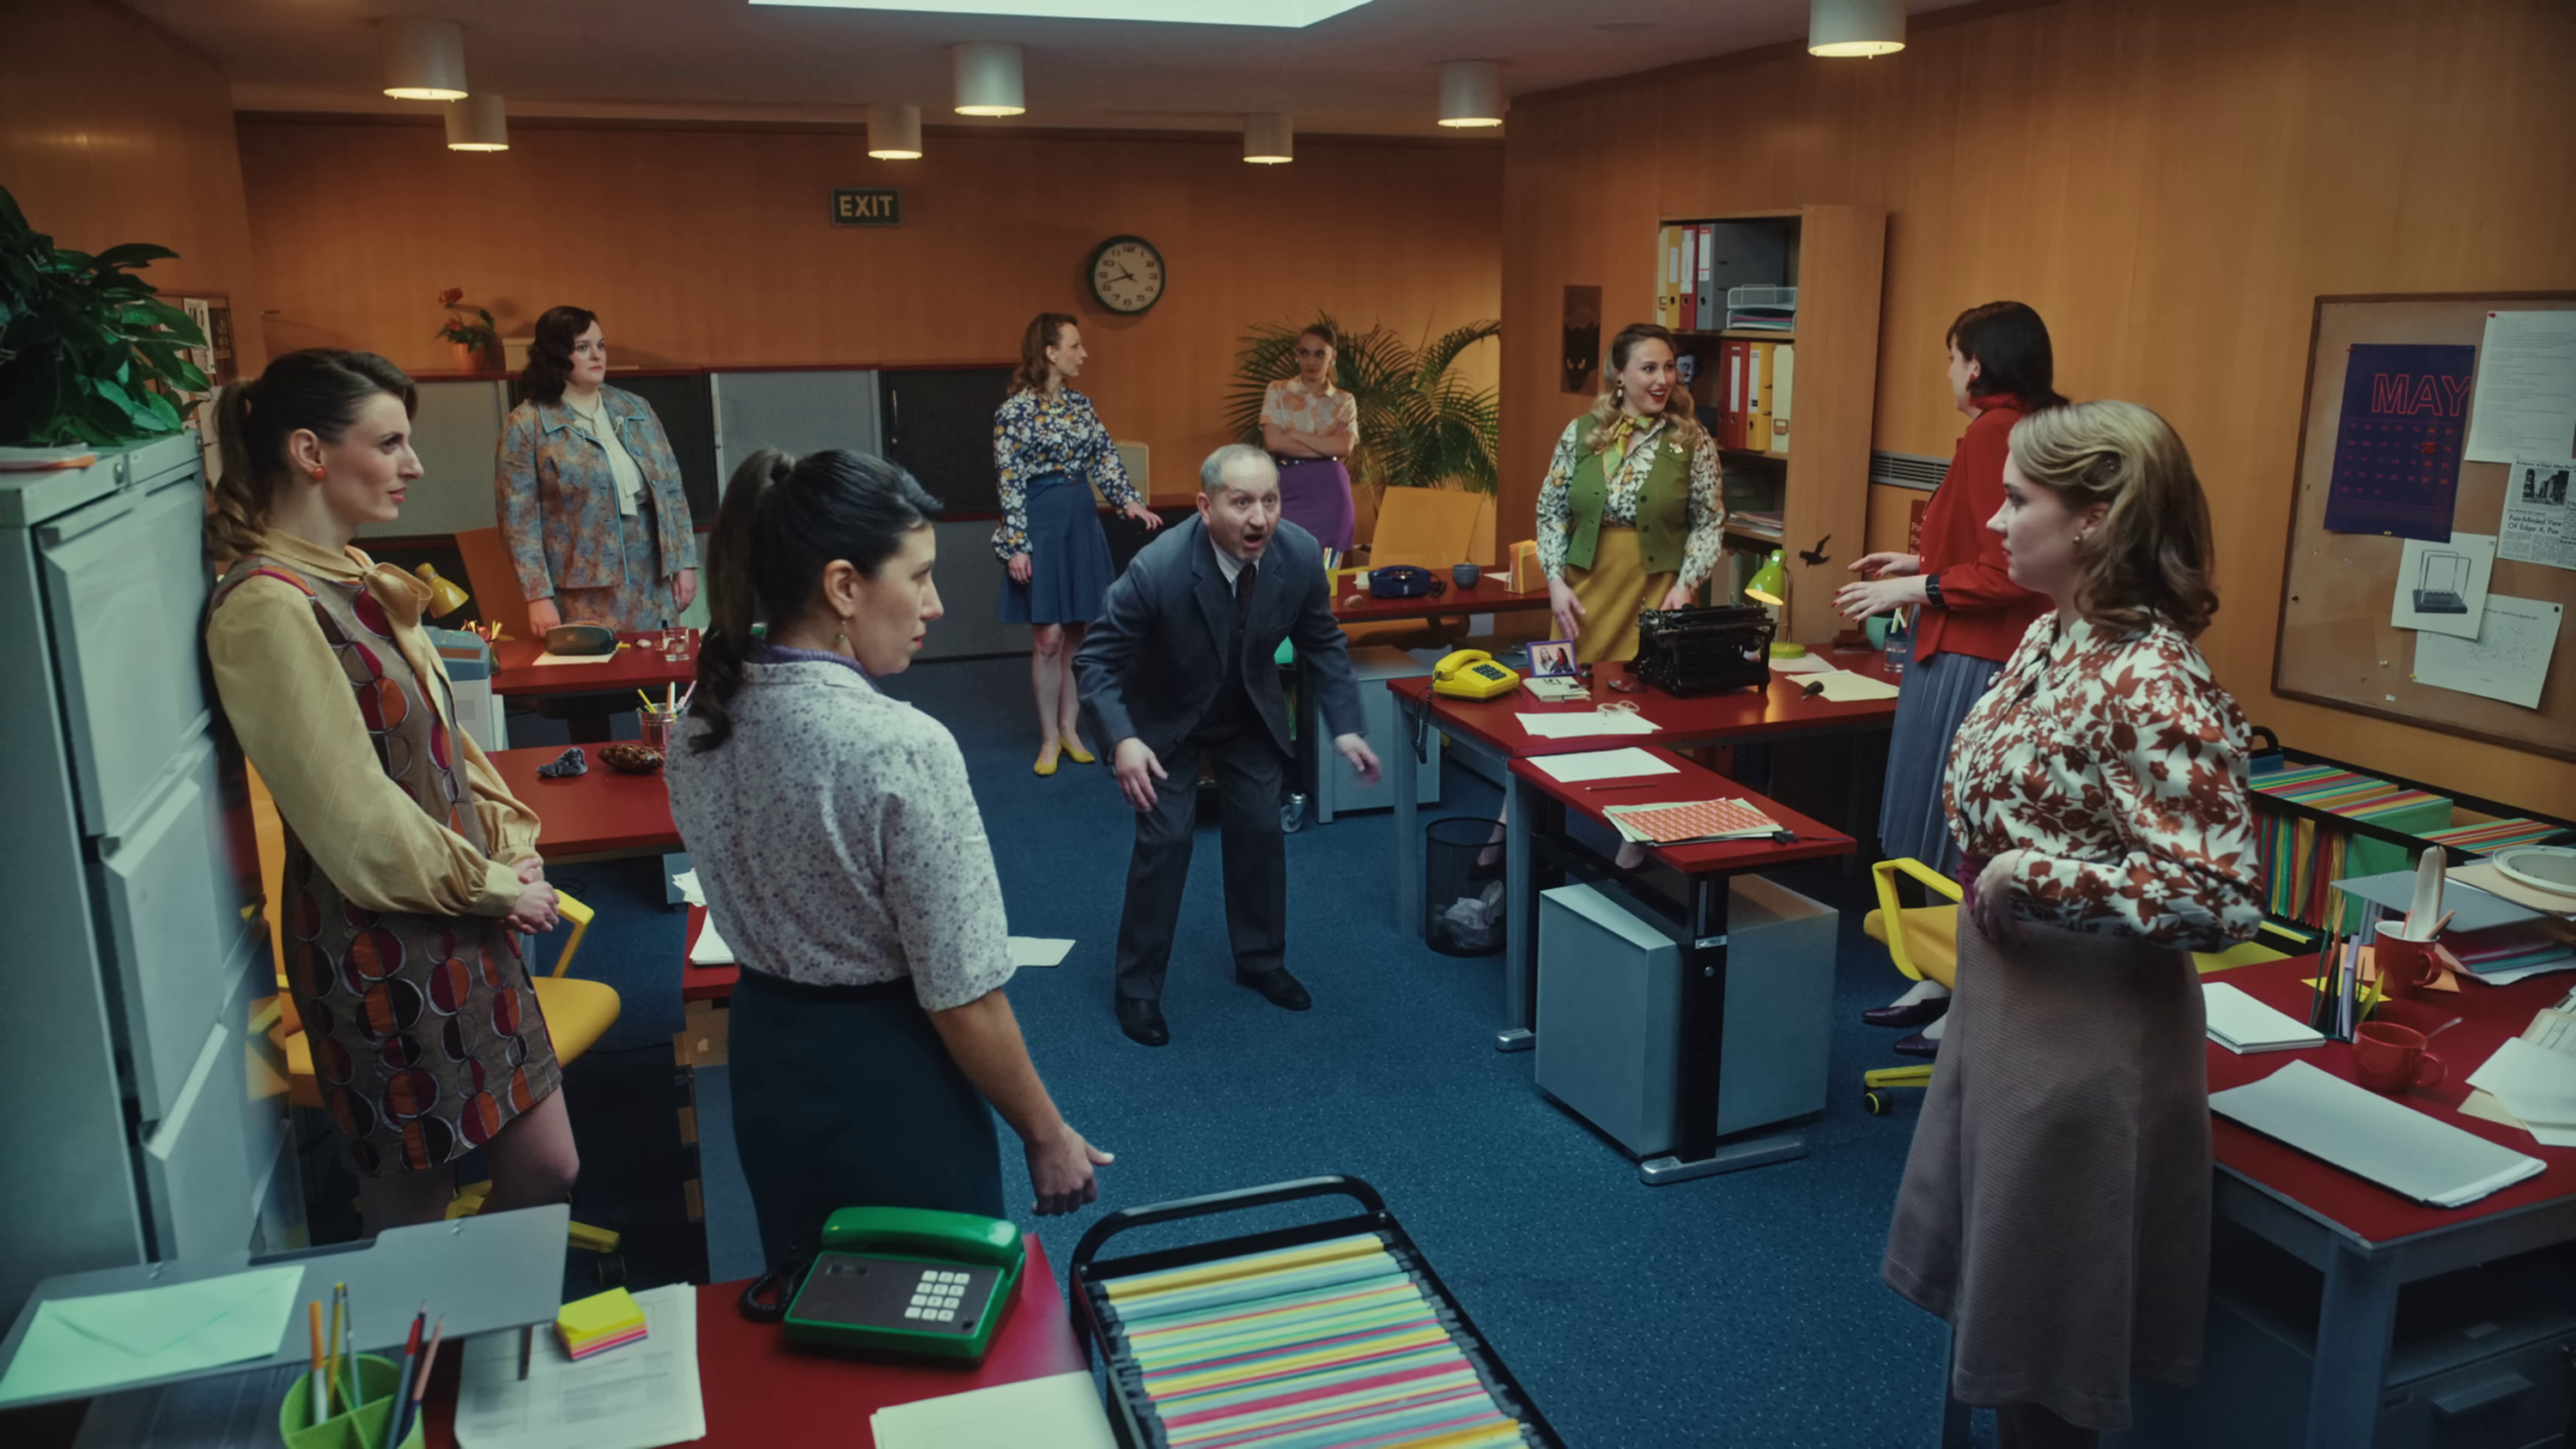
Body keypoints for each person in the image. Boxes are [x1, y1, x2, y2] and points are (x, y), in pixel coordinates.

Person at [1880, 400, 2263, 1448]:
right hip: (2009, 1007)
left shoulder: (2152, 674)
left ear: (2096, 517)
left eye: (2017, 500)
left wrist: (2038, 872)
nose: (1994, 524)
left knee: (2051, 1343)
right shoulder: (2056, 631)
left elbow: (2224, 890)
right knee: (2003, 1308)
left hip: (2086, 1039)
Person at [667, 447, 1111, 1261]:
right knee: (932, 1316)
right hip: (890, 1079)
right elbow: (963, 995)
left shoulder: (696, 721)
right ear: (844, 586)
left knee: (815, 1302)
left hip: (768, 1060)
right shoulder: (898, 746)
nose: (935, 605)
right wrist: (1047, 1134)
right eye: (920, 577)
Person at [204, 348, 576, 1231]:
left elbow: (450, 751)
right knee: (414, 1210)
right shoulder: (266, 604)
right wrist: (491, 885)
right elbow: (352, 814)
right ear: (310, 451)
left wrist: (513, 853)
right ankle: (445, 1363)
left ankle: (495, 1345)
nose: (413, 464)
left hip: (459, 910)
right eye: (391, 442)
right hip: (377, 938)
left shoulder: (353, 574)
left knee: (549, 1167)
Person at [1074, 445, 1379, 1047]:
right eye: (1241, 502)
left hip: (1247, 711)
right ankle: (1137, 989)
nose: (1258, 518)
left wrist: (1344, 724)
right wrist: (1124, 741)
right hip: (1163, 719)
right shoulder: (1157, 568)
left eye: (1269, 500)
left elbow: (1322, 642)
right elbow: (1096, 660)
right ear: (1205, 505)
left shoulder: (1296, 554)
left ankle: (1261, 961)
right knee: (1167, 842)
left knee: (1262, 830)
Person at [1835, 301, 2065, 1052]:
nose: (1947, 372)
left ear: (1976, 363)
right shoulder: (2024, 426)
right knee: (1946, 828)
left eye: (1950, 356)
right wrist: (1919, 565)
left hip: (1973, 654)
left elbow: (2004, 575)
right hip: (1975, 643)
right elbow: (1985, 549)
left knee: (1946, 829)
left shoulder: (1995, 431)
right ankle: (1944, 979)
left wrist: (1911, 590)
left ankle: (1964, 994)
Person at [994, 312, 1163, 777]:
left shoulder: (1081, 406)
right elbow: (1008, 482)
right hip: (1040, 521)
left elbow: (1105, 458)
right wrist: (1018, 546)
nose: (1083, 354)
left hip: (1079, 518)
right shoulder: (1013, 412)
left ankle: (1071, 731)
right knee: (1047, 637)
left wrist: (1130, 502)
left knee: (1078, 634)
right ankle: (1049, 737)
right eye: (1075, 346)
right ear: (1050, 352)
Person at [496, 306, 699, 639]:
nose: (596, 356)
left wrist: (685, 563)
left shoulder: (636, 409)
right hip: (581, 593)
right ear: (555, 355)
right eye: (582, 347)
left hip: (652, 580)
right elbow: (518, 523)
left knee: (657, 682)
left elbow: (672, 491)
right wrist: (537, 596)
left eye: (600, 345)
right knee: (598, 683)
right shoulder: (527, 424)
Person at [1535, 322, 1724, 664]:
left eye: (1669, 367)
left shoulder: (1692, 439)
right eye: (1649, 369)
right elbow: (1552, 513)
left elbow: (1709, 522)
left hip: (1659, 595)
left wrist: (1687, 585)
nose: (1663, 380)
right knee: (1574, 699)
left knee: (1648, 699)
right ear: (1619, 374)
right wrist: (1554, 583)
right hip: (1582, 596)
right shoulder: (1581, 432)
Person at [1261, 323, 1359, 555]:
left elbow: (1344, 447)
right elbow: (1273, 442)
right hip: (1286, 487)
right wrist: (1326, 447)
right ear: (1297, 354)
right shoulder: (1278, 390)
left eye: (1319, 354)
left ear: (1332, 356)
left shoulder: (1344, 400)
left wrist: (1293, 434)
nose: (1311, 361)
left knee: (1328, 574)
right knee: (1282, 561)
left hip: (1331, 493)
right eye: (1304, 353)